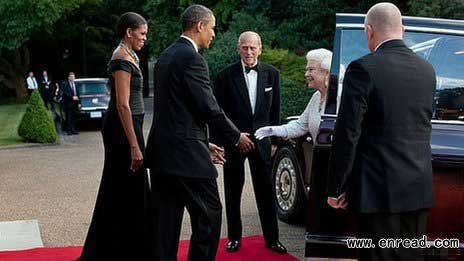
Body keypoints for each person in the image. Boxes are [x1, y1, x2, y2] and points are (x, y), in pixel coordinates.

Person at [326, 3, 435, 261]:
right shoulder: (427, 70)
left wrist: (336, 186)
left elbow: (348, 132)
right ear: (403, 30)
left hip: (378, 191)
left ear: (369, 31)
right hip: (418, 188)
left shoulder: (363, 69)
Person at [144, 4, 255, 261]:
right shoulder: (193, 59)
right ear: (200, 26)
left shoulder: (165, 55)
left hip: (163, 154)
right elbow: (208, 107)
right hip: (186, 156)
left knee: (165, 224)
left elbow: (178, 110)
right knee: (210, 214)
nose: (214, 34)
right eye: (212, 28)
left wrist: (205, 144)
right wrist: (235, 136)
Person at [77, 12, 156, 261]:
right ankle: (119, 250)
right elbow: (122, 105)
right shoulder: (121, 58)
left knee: (129, 189)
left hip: (128, 126)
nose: (145, 38)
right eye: (142, 33)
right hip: (122, 131)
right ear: (128, 32)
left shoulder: (129, 54)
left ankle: (129, 247)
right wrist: (134, 145)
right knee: (125, 187)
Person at [211, 31, 286, 253]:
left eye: (253, 47)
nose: (249, 52)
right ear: (238, 49)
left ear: (260, 49)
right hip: (234, 141)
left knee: (265, 191)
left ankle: (272, 239)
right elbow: (218, 113)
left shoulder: (272, 74)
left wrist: (274, 141)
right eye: (245, 47)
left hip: (263, 141)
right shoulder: (224, 76)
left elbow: (275, 110)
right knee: (233, 192)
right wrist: (218, 143)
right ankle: (234, 237)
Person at [255, 48, 332, 142]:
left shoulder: (341, 97)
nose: (306, 74)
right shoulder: (316, 97)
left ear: (327, 72)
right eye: (306, 70)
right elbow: (301, 125)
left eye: (311, 70)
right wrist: (275, 130)